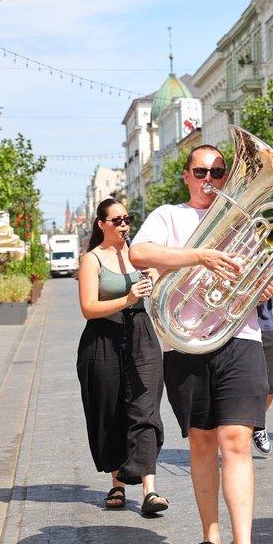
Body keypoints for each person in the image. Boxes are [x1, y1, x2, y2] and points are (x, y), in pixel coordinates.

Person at [130, 144, 273, 544]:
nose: (209, 179)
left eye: (218, 171)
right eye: (201, 172)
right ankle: (210, 537)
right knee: (201, 443)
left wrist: (264, 284)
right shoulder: (168, 216)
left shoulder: (246, 220)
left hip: (240, 336)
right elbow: (140, 253)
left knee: (236, 440)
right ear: (187, 176)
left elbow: (260, 271)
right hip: (186, 344)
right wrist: (200, 256)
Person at [76, 198, 168, 514]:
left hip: (142, 334)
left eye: (127, 219)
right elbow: (88, 308)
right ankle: (117, 483)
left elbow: (163, 284)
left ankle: (149, 490)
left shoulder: (139, 255)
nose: (124, 225)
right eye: (116, 220)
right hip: (103, 337)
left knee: (146, 408)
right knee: (111, 410)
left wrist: (159, 278)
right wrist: (127, 298)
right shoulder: (92, 259)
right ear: (101, 224)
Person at [253, 273, 273, 456]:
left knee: (270, 380)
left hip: (262, 321)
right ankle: (243, 424)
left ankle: (257, 421)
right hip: (226, 322)